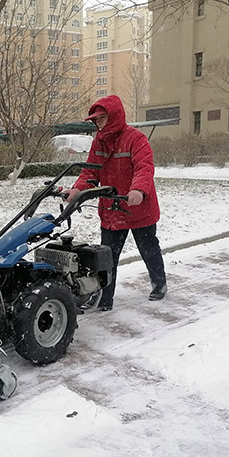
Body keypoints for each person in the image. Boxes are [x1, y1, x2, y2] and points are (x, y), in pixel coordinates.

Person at [63, 94, 166, 310]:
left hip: (139, 208)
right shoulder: (98, 142)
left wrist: (138, 190)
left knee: (148, 249)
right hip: (112, 209)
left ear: (114, 116)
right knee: (106, 257)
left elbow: (144, 167)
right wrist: (77, 190)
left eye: (101, 118)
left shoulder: (136, 139)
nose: (98, 123)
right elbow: (90, 172)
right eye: (96, 120)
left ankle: (159, 284)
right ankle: (104, 299)